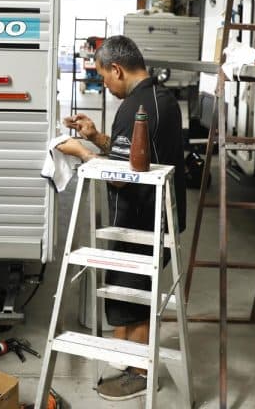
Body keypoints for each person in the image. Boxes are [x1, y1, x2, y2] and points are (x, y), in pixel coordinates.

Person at [57, 35, 186, 402]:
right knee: (127, 299)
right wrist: (97, 136)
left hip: (143, 222)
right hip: (154, 217)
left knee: (134, 299)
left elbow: (121, 175)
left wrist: (80, 151)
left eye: (104, 78)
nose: (105, 85)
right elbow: (135, 157)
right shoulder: (159, 100)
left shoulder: (134, 108)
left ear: (117, 68)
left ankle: (141, 371)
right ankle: (129, 362)